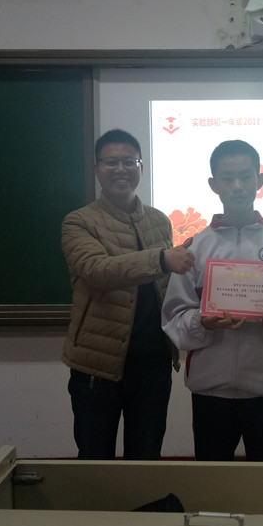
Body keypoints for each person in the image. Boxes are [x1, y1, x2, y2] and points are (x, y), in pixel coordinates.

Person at [161, 139, 263, 462]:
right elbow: (174, 316)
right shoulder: (194, 248)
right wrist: (202, 322)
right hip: (210, 388)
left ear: (260, 180)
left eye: (246, 177)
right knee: (212, 480)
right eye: (227, 178)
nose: (237, 186)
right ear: (213, 184)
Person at [61, 128, 194, 460]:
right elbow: (97, 271)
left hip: (154, 363)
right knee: (95, 460)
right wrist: (161, 259)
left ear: (141, 168)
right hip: (97, 364)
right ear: (97, 169)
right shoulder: (78, 222)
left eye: (129, 162)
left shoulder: (159, 221)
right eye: (111, 162)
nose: (121, 169)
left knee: (146, 459)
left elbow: (167, 285)